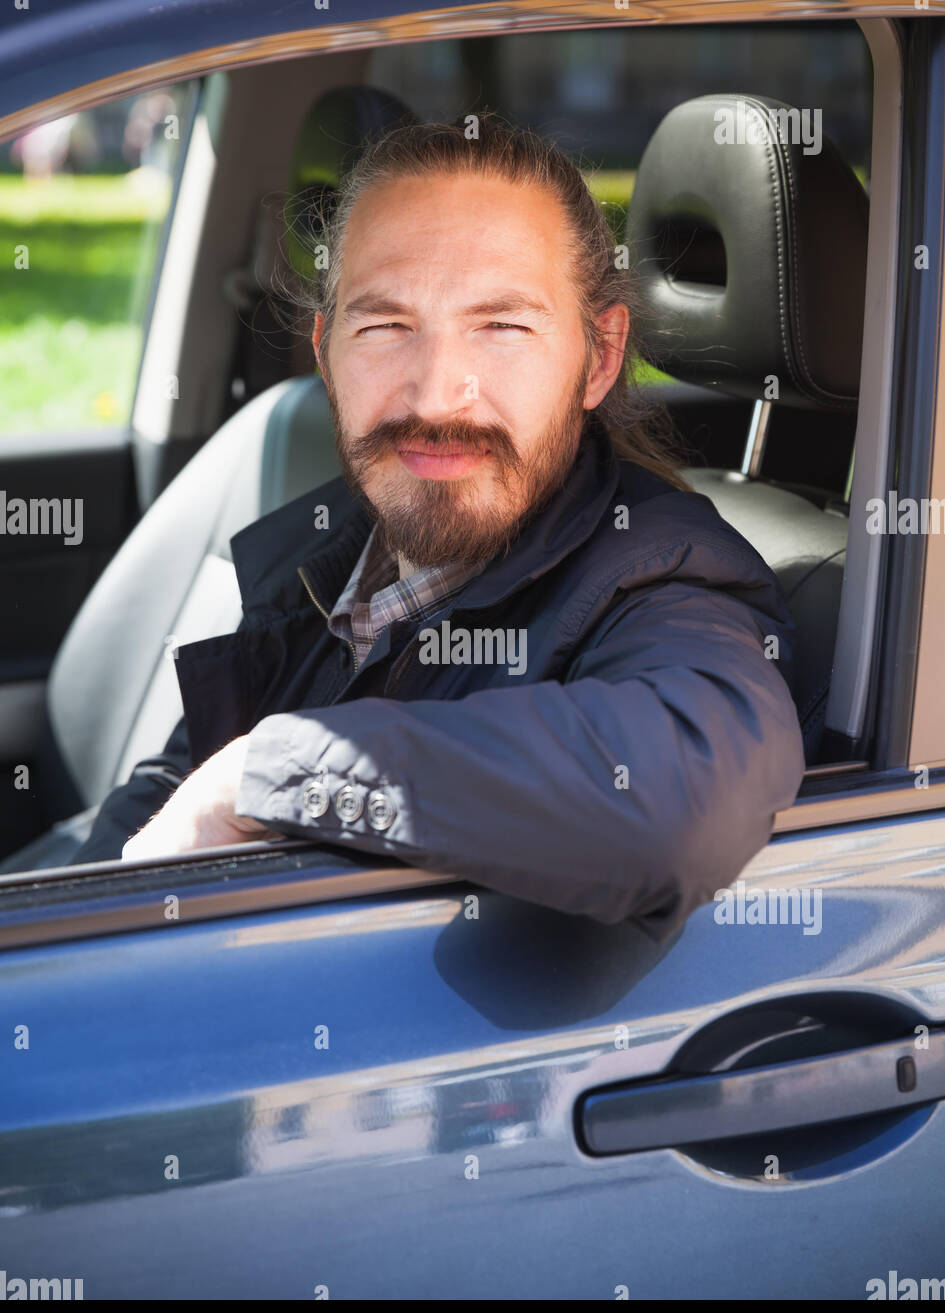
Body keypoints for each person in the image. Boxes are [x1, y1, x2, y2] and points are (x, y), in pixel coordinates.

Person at [70, 113, 806, 940]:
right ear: (325, 350)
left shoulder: (666, 573)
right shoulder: (330, 553)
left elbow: (682, 798)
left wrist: (269, 770)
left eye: (501, 327)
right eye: (385, 326)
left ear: (597, 359)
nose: (433, 396)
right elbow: (168, 795)